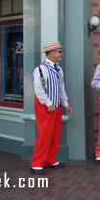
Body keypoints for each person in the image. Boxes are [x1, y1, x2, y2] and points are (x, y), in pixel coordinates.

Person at [30, 42, 73, 175]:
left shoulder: (59, 69)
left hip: (56, 106)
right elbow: (38, 89)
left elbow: (61, 88)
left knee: (55, 134)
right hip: (45, 107)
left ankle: (49, 158)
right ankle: (36, 163)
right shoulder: (40, 69)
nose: (61, 54)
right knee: (44, 135)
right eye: (59, 52)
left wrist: (65, 104)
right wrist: (48, 103)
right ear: (51, 53)